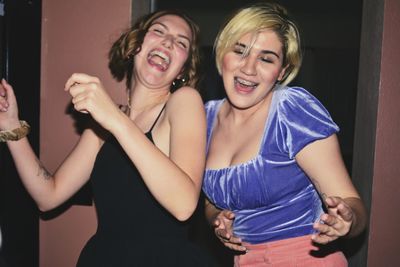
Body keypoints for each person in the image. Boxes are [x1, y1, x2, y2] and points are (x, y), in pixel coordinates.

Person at [0, 9, 215, 266]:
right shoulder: (108, 122)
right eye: (159, 31)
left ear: (182, 70)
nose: (168, 42)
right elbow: (48, 196)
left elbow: (183, 205)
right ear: (135, 46)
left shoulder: (183, 101)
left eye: (181, 43)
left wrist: (114, 119)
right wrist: (11, 128)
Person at [202, 2, 367, 266]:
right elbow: (211, 200)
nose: (248, 68)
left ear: (282, 71)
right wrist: (216, 219)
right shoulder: (204, 118)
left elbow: (352, 204)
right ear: (223, 53)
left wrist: (348, 221)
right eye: (240, 51)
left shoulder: (292, 111)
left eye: (266, 58)